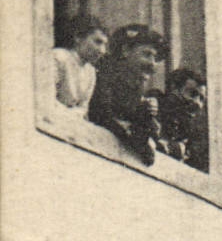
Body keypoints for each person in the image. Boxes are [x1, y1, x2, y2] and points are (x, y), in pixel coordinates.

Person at [88, 24, 168, 165]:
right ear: (125, 51)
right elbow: (102, 115)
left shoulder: (134, 85)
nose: (152, 64)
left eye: (156, 58)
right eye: (147, 54)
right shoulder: (104, 72)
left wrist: (148, 117)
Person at [157, 67, 209, 173]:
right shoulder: (156, 111)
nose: (198, 104)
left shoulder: (191, 133)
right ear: (173, 90)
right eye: (192, 94)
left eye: (201, 99)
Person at [54, 14, 107, 114]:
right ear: (78, 37)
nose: (102, 51)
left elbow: (83, 108)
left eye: (105, 44)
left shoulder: (90, 71)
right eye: (97, 42)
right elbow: (47, 100)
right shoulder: (59, 58)